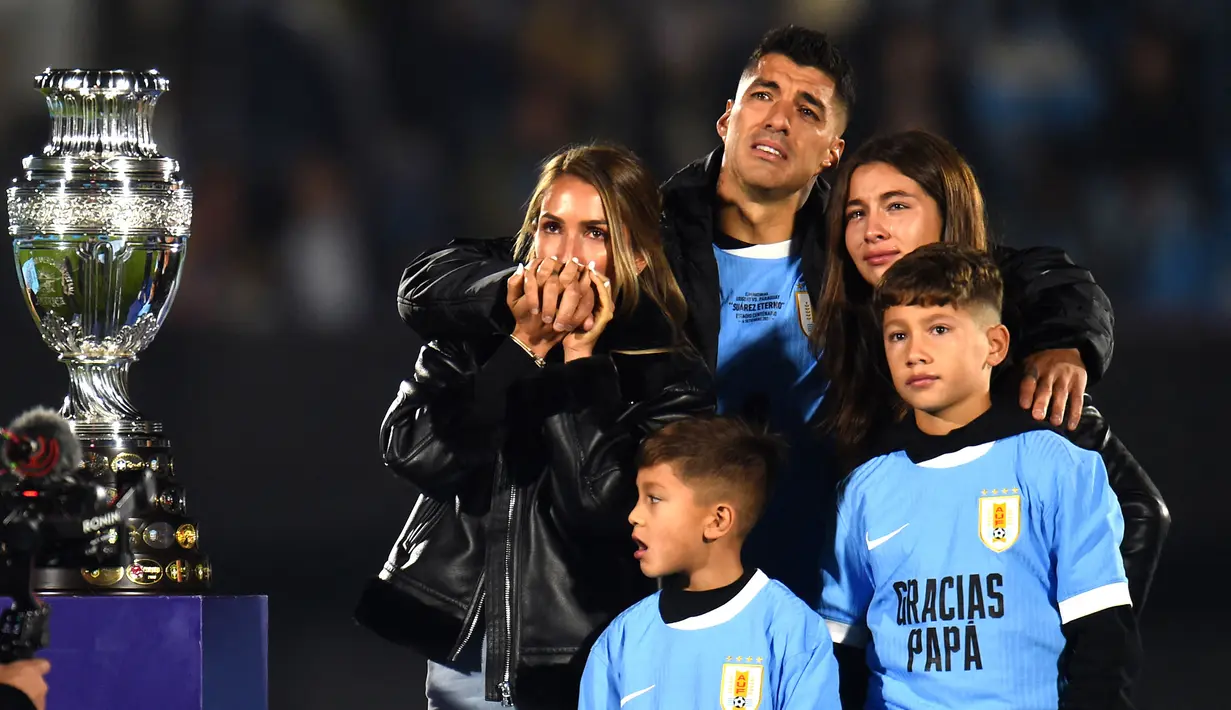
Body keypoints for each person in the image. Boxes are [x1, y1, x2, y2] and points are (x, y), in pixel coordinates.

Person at [390, 26, 1117, 608]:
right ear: (726, 117)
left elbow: (1015, 271)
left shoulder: (858, 247)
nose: (777, 116)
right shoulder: (646, 234)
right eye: (762, 94)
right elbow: (435, 279)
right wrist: (518, 289)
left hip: (820, 597)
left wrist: (1064, 340)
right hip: (660, 599)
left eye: (806, 109)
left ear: (832, 151)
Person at [354, 143, 715, 709]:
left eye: (595, 233)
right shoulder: (480, 334)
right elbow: (413, 452)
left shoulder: (670, 377)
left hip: (587, 666)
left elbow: (605, 510)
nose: (567, 256)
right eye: (553, 227)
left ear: (637, 258)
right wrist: (522, 347)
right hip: (464, 661)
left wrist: (580, 364)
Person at [813, 130, 1167, 612]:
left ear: (948, 210)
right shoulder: (848, 337)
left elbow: (1138, 511)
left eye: (897, 206)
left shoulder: (1019, 338)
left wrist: (1069, 651)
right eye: (856, 212)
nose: (872, 229)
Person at [820, 243, 1139, 709]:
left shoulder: (1058, 468)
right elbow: (840, 654)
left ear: (995, 345)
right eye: (897, 336)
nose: (915, 353)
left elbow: (1104, 642)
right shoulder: (864, 491)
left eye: (939, 329)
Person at [579, 416, 839, 710]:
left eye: (653, 498)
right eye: (637, 497)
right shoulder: (622, 639)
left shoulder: (792, 631)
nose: (634, 514)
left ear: (717, 520)